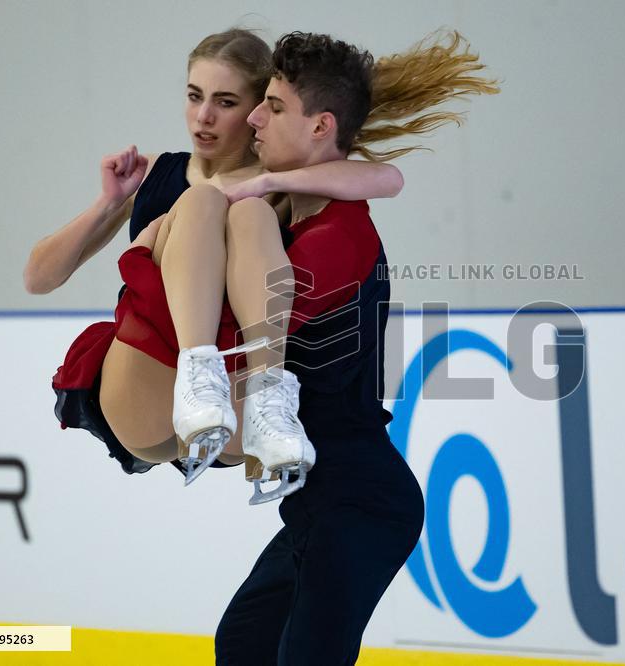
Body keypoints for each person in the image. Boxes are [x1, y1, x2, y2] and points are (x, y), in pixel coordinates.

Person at [211, 31, 498, 665]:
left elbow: (240, 337)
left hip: (362, 502)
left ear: (320, 126)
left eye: (275, 107)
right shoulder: (296, 219)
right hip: (319, 505)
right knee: (243, 643)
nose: (254, 117)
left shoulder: (337, 239)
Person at [29, 29, 406, 496]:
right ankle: (200, 373)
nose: (203, 116)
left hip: (233, 400)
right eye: (194, 96)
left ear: (256, 111)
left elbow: (387, 178)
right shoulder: (156, 173)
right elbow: (39, 278)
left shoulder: (283, 179)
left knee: (230, 207)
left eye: (226, 102)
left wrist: (260, 183)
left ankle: (253, 393)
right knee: (203, 201)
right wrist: (108, 206)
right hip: (147, 386)